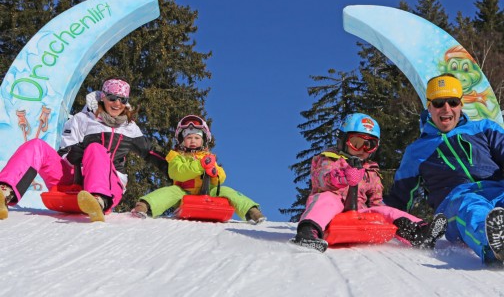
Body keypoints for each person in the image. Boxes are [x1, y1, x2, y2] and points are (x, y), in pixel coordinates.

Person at [0, 77, 167, 222]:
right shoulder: (83, 119)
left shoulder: (129, 127)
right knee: (36, 145)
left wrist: (175, 170)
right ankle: (5, 191)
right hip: (72, 178)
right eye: (112, 97)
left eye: (122, 100)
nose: (117, 103)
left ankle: (98, 199)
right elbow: (64, 152)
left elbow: (149, 152)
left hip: (109, 184)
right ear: (103, 97)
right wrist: (76, 152)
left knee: (96, 148)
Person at [385, 73, 504, 265]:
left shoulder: (484, 128)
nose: (446, 109)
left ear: (461, 105)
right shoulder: (417, 151)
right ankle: (494, 247)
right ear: (429, 106)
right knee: (471, 207)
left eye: (453, 102)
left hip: (497, 189)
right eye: (439, 103)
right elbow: (399, 198)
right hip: (454, 203)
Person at [291, 113, 447, 252]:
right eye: (357, 143)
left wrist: (381, 212)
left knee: (386, 211)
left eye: (370, 145)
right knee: (326, 200)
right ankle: (308, 232)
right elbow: (322, 179)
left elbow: (376, 201)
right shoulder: (329, 159)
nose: (363, 149)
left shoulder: (371, 170)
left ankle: (420, 232)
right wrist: (344, 176)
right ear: (343, 140)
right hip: (333, 215)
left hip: (358, 213)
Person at [130, 115, 267, 224]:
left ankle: (252, 211)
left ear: (203, 140)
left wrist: (214, 173)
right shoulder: (176, 156)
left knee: (228, 191)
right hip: (184, 192)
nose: (193, 141)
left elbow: (221, 177)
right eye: (189, 137)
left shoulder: (208, 157)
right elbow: (176, 172)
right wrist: (199, 166)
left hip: (207, 192)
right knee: (169, 192)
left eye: (196, 137)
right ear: (182, 140)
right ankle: (144, 206)